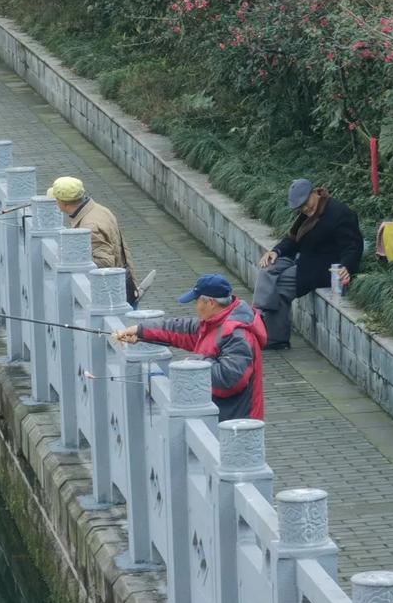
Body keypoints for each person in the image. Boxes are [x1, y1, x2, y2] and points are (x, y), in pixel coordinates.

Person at [112, 274, 267, 420]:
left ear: (211, 303)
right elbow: (177, 329)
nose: (195, 307)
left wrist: (195, 363)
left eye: (197, 301)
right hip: (217, 416)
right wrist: (140, 331)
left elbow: (231, 380)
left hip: (236, 422)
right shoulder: (213, 323)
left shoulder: (238, 335)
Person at [253, 178, 363, 349]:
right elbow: (293, 239)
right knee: (269, 268)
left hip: (322, 269)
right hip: (303, 260)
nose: (305, 209)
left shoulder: (339, 213)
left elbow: (353, 247)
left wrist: (346, 266)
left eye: (306, 204)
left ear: (315, 193)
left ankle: (273, 336)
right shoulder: (306, 215)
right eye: (300, 207)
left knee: (279, 287)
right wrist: (276, 251)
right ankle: (260, 316)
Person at [49, 176, 139, 305]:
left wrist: (73, 258)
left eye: (56, 199)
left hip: (112, 297)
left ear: (64, 203)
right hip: (125, 283)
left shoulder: (89, 227)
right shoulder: (99, 209)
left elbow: (105, 263)